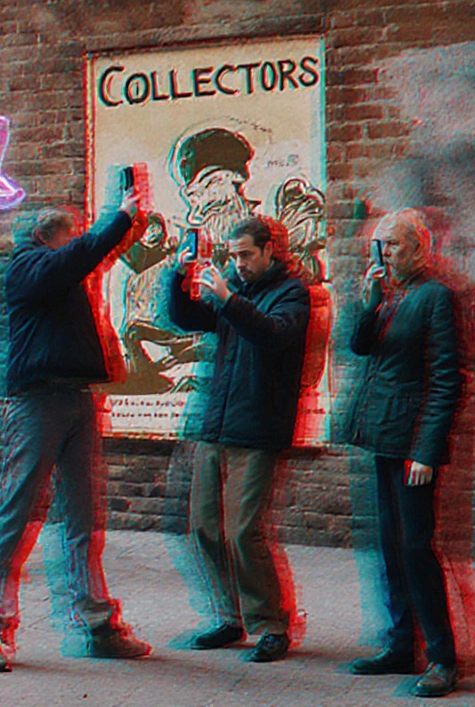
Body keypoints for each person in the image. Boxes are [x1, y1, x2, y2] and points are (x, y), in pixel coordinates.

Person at [0, 192, 152, 673]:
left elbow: (80, 260)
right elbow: (77, 257)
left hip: (75, 399)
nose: (76, 245)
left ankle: (97, 625)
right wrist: (120, 218)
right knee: (16, 516)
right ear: (48, 237)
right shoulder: (28, 267)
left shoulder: (57, 273)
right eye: (71, 236)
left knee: (83, 518)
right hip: (37, 403)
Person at [167, 215, 310, 663]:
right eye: (234, 256)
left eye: (247, 255)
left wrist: (228, 298)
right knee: (204, 527)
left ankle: (271, 624)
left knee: (243, 531)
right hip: (218, 424)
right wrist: (178, 277)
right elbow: (186, 318)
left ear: (269, 250)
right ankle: (230, 617)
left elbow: (273, 335)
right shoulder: (236, 291)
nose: (239, 263)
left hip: (258, 427)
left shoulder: (291, 294)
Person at [338, 208, 463, 698]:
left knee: (415, 547)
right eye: (380, 245)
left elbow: (446, 379)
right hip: (384, 439)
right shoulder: (388, 295)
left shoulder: (435, 297)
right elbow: (360, 347)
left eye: (391, 244)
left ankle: (442, 657)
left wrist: (426, 450)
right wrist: (369, 304)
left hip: (412, 445)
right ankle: (399, 644)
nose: (384, 254)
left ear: (419, 247)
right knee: (390, 545)